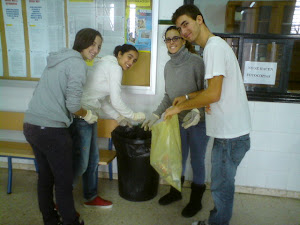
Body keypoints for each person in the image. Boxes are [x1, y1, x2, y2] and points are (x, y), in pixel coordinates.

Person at [165, 5, 251, 225]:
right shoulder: (214, 47)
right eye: (178, 28)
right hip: (231, 134)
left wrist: (179, 108)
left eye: (185, 24)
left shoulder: (212, 47)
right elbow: (211, 91)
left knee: (221, 188)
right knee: (222, 186)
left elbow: (213, 94)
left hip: (229, 136)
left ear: (199, 20)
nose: (183, 32)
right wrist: (187, 97)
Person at [23, 28, 102, 225]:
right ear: (82, 41)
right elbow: (73, 105)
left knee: (45, 177)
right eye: (93, 44)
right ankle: (70, 221)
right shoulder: (77, 63)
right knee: (63, 182)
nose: (95, 50)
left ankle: (50, 220)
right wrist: (88, 114)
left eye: (99, 47)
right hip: (51, 130)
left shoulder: (57, 59)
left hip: (31, 125)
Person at [142, 26, 209, 218]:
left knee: (196, 161)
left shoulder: (197, 62)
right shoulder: (168, 66)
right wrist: (156, 114)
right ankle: (175, 192)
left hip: (198, 121)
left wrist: (197, 110)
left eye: (175, 38)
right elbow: (169, 97)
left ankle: (195, 201)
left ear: (184, 40)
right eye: (168, 39)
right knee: (176, 159)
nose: (171, 42)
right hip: (177, 121)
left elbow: (208, 93)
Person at [70, 44, 145, 208]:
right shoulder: (114, 68)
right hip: (81, 117)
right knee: (82, 162)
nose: (131, 62)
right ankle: (61, 198)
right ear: (119, 54)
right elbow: (116, 100)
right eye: (129, 57)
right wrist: (132, 116)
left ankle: (90, 196)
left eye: (134, 60)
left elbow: (102, 100)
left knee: (92, 160)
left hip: (90, 116)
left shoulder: (105, 64)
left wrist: (118, 117)